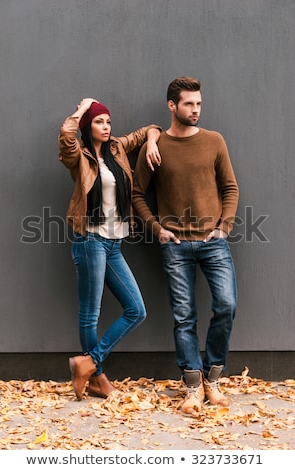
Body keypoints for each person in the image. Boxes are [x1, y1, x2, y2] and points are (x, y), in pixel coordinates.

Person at [133, 77, 239, 414]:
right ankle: (193, 387)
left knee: (226, 305)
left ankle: (214, 378)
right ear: (172, 106)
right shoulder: (157, 147)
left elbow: (230, 188)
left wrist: (223, 228)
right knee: (184, 317)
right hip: (175, 246)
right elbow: (137, 193)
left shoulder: (214, 141)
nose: (196, 110)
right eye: (189, 104)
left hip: (213, 243)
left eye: (199, 104)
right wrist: (156, 228)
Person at [58, 98, 161, 400]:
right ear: (88, 126)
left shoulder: (117, 148)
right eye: (98, 122)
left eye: (108, 121)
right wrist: (79, 110)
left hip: (114, 243)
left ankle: (88, 363)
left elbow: (148, 131)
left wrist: (153, 139)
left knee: (136, 310)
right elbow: (66, 137)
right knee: (90, 314)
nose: (105, 127)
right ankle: (97, 378)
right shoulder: (79, 155)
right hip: (90, 240)